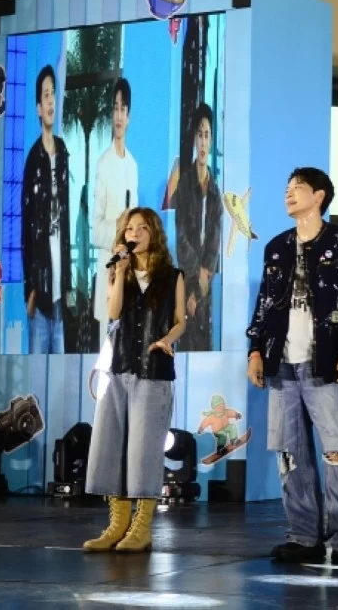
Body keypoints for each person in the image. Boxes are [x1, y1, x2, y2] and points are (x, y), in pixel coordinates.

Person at [246, 168, 338, 569]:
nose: (289, 194)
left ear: (319, 196)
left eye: (297, 188)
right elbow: (265, 304)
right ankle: (303, 535)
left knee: (336, 451)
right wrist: (255, 350)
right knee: (289, 453)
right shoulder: (277, 247)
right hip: (281, 364)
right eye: (286, 189)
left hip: (325, 363)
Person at [83, 207, 186, 553]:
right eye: (130, 228)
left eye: (142, 228)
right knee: (110, 444)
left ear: (154, 233)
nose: (135, 233)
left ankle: (141, 528)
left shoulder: (172, 275)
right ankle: (117, 525)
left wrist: (168, 339)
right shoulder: (117, 271)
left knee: (143, 450)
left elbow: (179, 320)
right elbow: (112, 313)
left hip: (154, 369)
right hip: (119, 365)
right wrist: (118, 273)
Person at [21, 64, 71, 354]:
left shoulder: (63, 152)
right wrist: (30, 289)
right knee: (37, 382)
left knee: (61, 380)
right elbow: (26, 230)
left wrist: (66, 283)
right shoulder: (32, 160)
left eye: (54, 94)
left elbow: (64, 224)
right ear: (39, 109)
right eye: (46, 95)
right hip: (39, 297)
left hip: (59, 299)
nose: (51, 101)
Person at [166, 103, 223, 351]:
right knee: (184, 341)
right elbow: (180, 239)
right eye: (199, 135)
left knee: (205, 344)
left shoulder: (215, 191)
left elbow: (214, 242)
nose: (202, 142)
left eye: (207, 135)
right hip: (184, 280)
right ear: (194, 140)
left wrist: (204, 278)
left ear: (211, 141)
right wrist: (192, 283)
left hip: (205, 286)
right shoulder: (183, 186)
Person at [92, 78, 139, 350]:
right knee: (107, 359)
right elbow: (96, 229)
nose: (119, 115)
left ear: (129, 117)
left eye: (123, 109)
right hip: (109, 274)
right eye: (115, 108)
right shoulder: (103, 164)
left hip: (132, 276)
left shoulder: (133, 166)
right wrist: (120, 227)